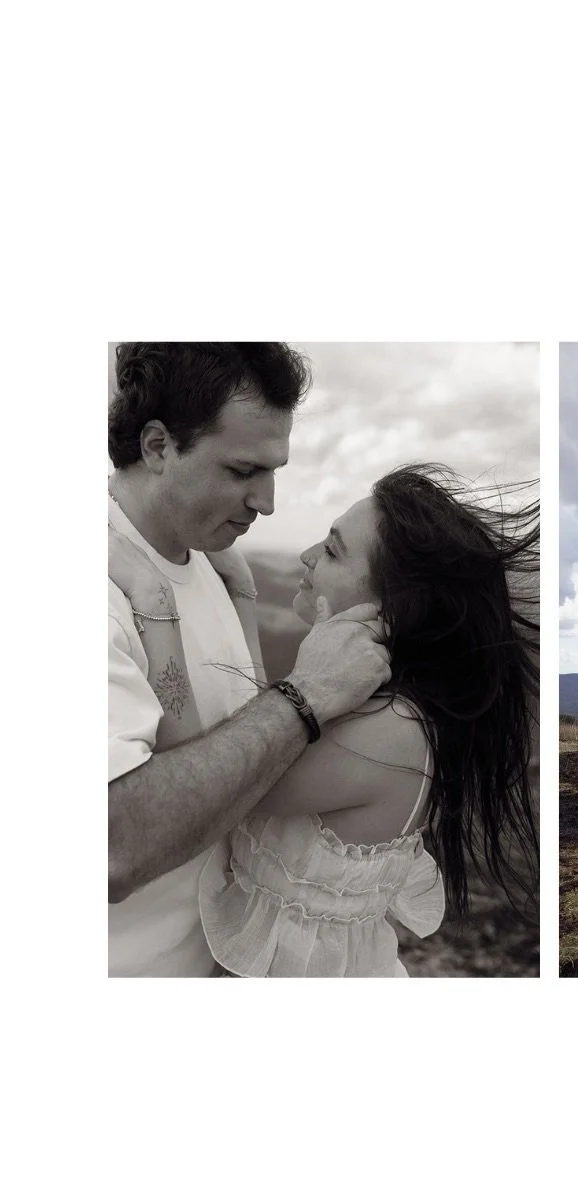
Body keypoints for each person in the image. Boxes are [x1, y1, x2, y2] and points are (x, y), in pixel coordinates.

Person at [113, 464, 540, 977]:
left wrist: (154, 601)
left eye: (334, 550)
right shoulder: (382, 706)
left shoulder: (389, 733)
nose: (307, 556)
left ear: (392, 609)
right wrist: (245, 596)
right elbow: (265, 724)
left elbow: (209, 782)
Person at [108, 342, 391, 977]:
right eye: (242, 471)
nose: (266, 502)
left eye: (273, 471)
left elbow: (229, 741)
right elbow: (110, 845)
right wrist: (305, 698)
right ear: (158, 447)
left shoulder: (204, 558)